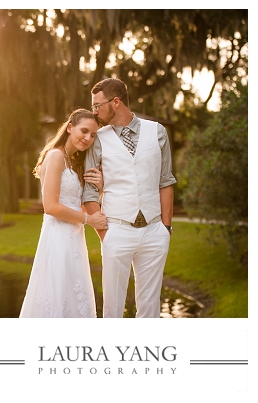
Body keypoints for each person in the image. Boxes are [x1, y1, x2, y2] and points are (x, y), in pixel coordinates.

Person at [83, 78, 176, 318]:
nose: (94, 111)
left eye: (97, 105)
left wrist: (165, 227)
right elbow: (90, 192)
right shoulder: (99, 138)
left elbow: (165, 181)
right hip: (117, 231)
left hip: (154, 231)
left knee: (150, 310)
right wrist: (106, 234)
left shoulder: (156, 131)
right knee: (113, 310)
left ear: (115, 102)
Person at [20, 109, 108, 318]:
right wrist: (88, 220)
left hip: (73, 239)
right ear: (70, 127)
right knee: (58, 294)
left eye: (93, 135)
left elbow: (78, 204)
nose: (88, 138)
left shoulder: (73, 160)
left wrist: (100, 189)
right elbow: (50, 206)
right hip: (58, 237)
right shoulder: (56, 156)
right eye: (84, 131)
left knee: (74, 294)